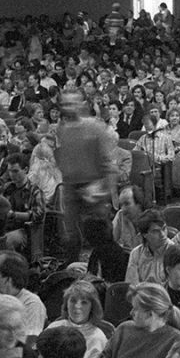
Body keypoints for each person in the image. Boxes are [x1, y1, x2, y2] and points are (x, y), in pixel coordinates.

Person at [55, 89, 116, 265]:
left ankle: (109, 271)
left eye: (72, 103)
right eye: (65, 103)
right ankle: (73, 271)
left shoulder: (95, 127)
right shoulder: (62, 129)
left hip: (94, 186)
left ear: (82, 104)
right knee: (71, 236)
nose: (69, 107)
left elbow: (109, 164)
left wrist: (103, 189)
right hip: (70, 187)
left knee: (100, 235)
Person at [94, 283, 180, 358]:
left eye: (136, 309)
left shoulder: (176, 341)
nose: (131, 313)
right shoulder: (123, 329)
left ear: (150, 314)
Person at [45, 280, 108, 358]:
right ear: (66, 303)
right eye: (73, 301)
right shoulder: (54, 327)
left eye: (84, 302)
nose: (77, 306)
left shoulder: (98, 338)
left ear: (92, 307)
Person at [127, 209, 174, 285]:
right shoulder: (136, 253)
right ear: (145, 235)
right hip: (141, 295)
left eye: (164, 229)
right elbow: (132, 286)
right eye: (155, 231)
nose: (162, 234)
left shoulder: (174, 252)